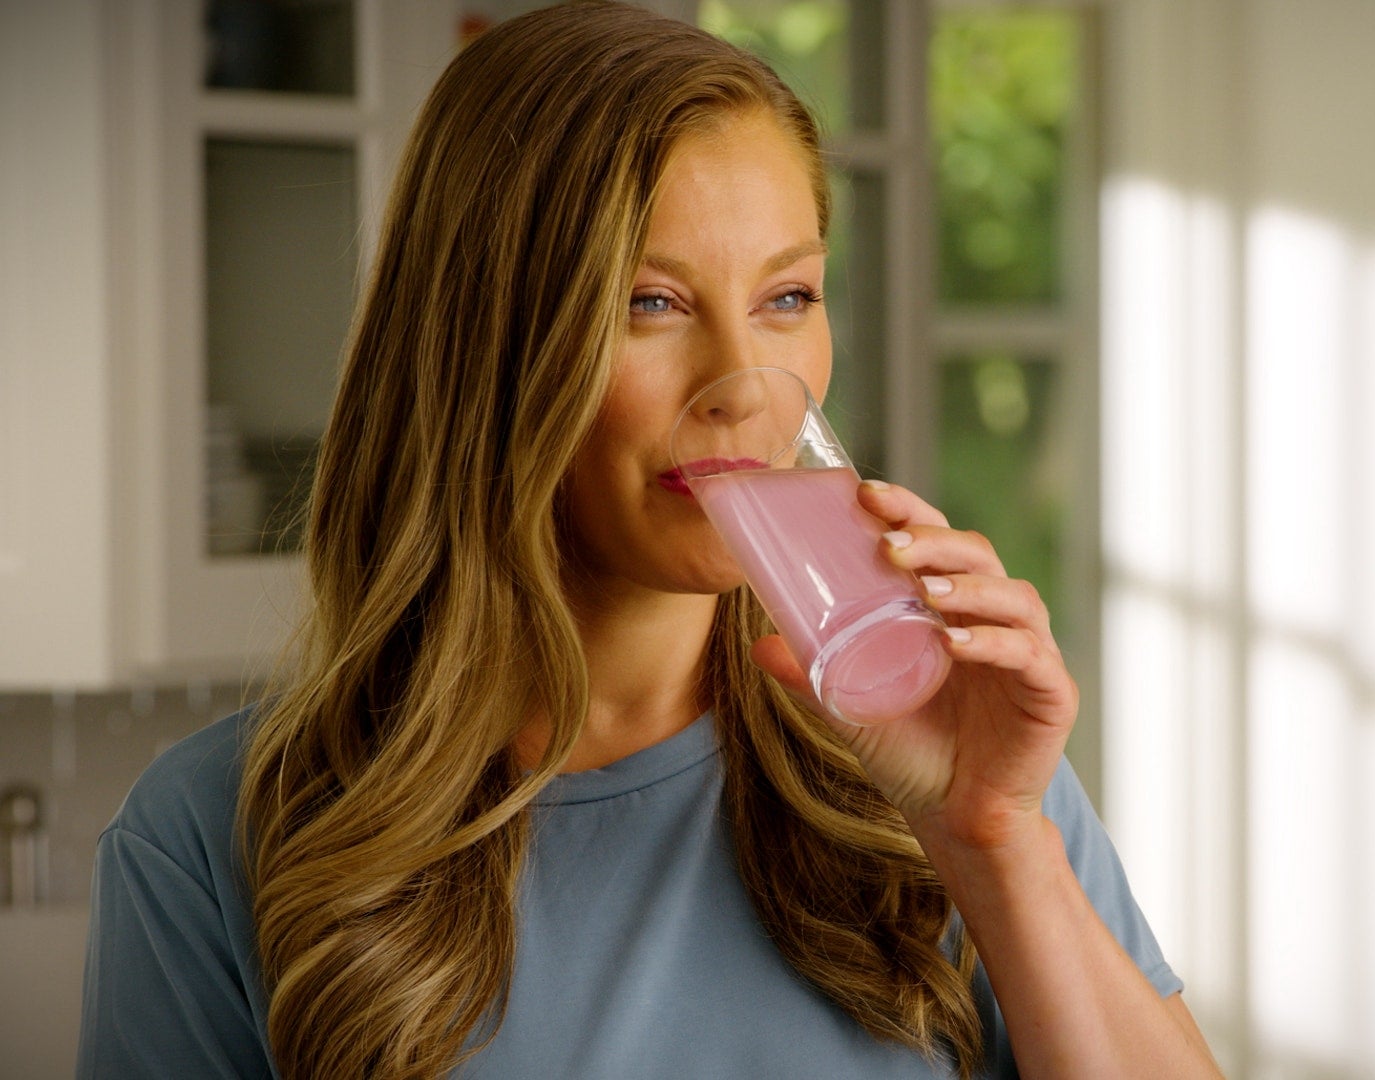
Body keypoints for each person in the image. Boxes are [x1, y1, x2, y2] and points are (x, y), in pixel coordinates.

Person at [78, 4, 1219, 1077]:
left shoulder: (943, 755)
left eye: (787, 299)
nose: (744, 385)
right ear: (489, 349)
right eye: (651, 304)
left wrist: (992, 838)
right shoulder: (211, 839)